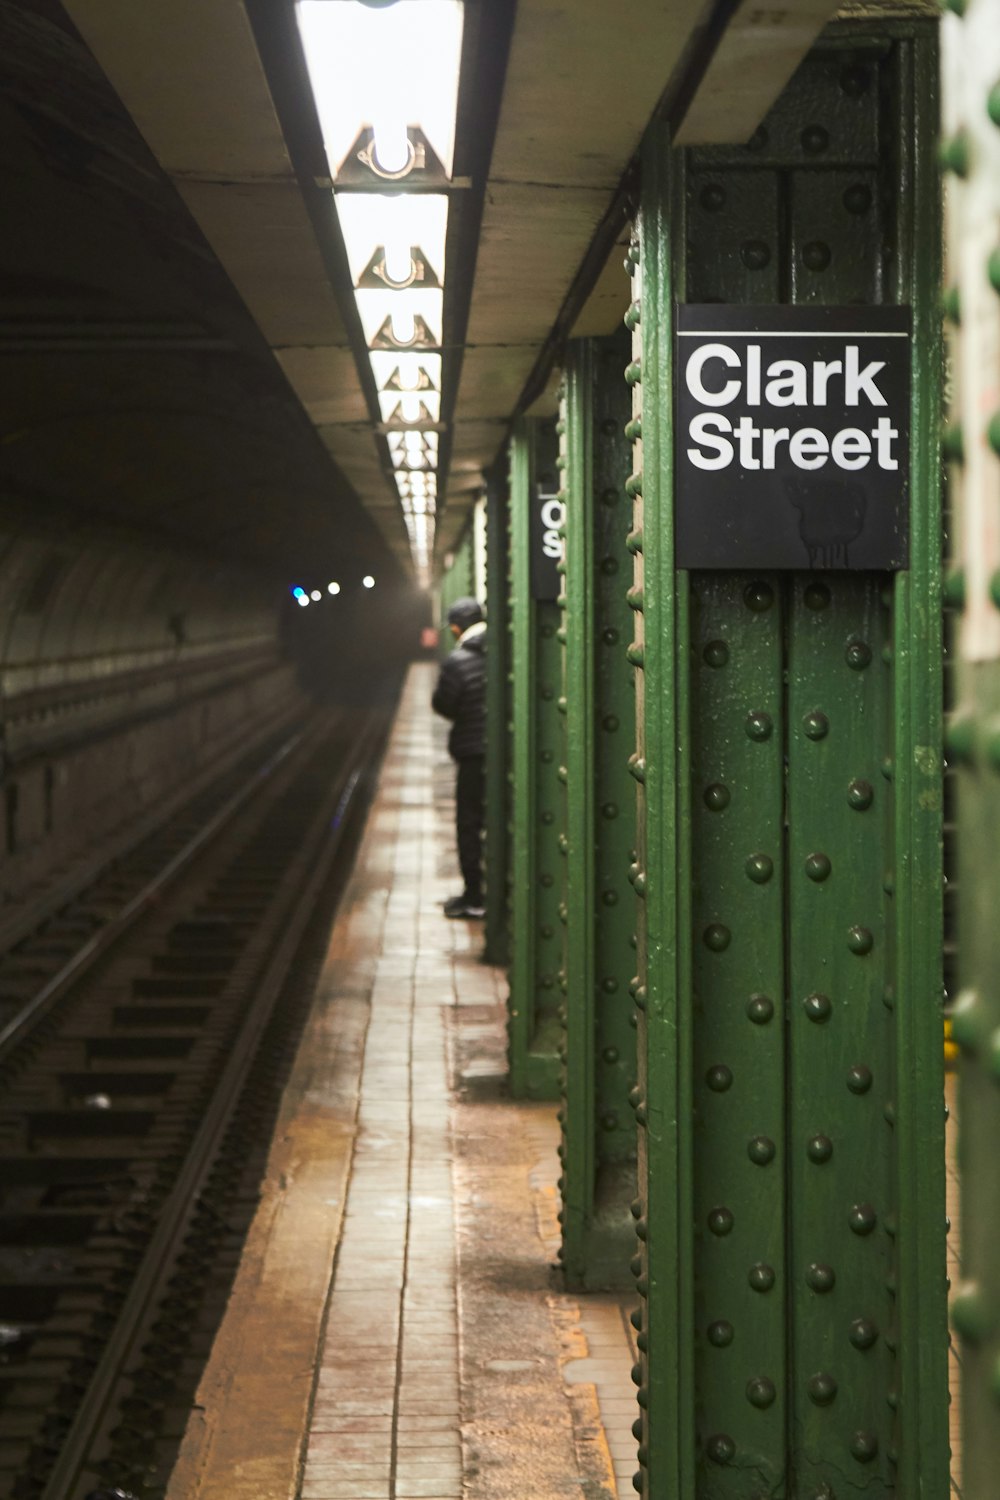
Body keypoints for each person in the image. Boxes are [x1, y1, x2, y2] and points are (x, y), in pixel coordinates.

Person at [432, 597, 486, 918]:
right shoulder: (506, 648)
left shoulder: (457, 660)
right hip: (502, 753)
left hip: (471, 754)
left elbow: (445, 705)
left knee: (469, 824)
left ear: (455, 628)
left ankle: (474, 898)